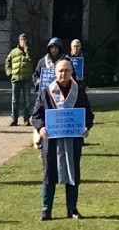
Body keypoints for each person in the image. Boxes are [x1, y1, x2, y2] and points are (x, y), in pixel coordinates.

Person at [33, 59, 93, 220]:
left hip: (73, 139)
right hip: (51, 140)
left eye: (67, 70)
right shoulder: (46, 91)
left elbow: (88, 114)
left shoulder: (79, 92)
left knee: (73, 172)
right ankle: (46, 210)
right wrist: (41, 128)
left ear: (72, 72)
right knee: (49, 173)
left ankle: (72, 209)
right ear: (54, 72)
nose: (63, 74)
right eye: (60, 71)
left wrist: (87, 127)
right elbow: (36, 115)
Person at [5, 33, 33, 127]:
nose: (23, 41)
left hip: (27, 79)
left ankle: (26, 119)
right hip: (16, 78)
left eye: (25, 40)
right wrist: (9, 72)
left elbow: (31, 60)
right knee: (14, 100)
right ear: (19, 41)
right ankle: (14, 119)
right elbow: (7, 62)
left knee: (27, 100)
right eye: (21, 40)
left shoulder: (30, 51)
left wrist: (27, 50)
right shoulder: (13, 52)